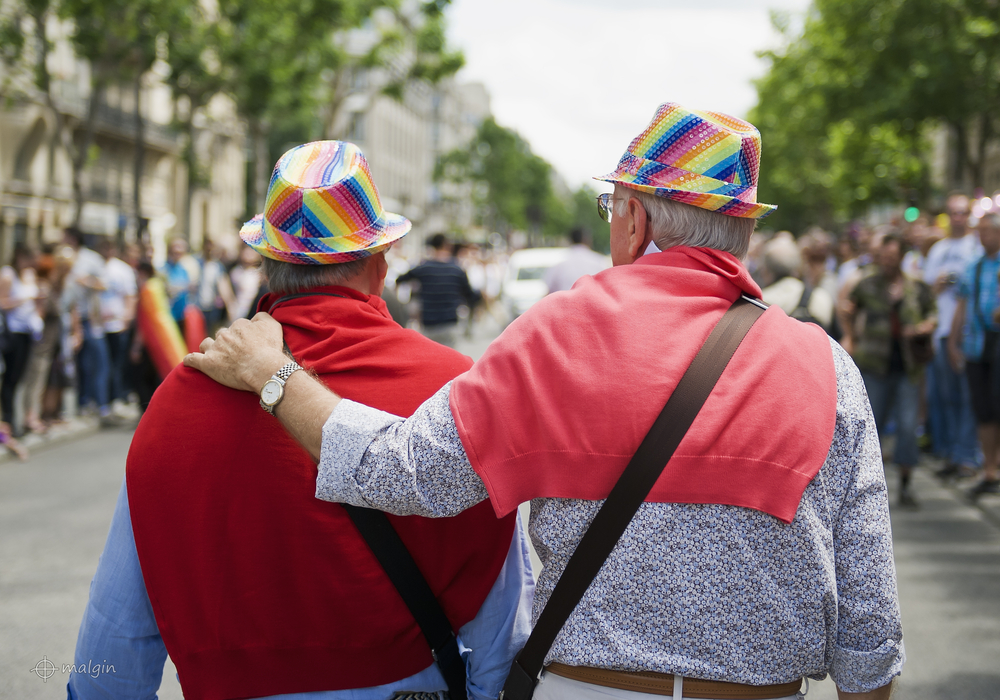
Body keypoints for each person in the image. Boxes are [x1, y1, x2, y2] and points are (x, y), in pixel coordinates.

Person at [188, 104, 903, 700]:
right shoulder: (826, 367)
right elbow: (870, 625)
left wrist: (275, 375)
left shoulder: (560, 334)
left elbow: (406, 474)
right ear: (742, 230)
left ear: (636, 221)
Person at [69, 140, 532, 700]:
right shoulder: (452, 388)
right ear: (380, 266)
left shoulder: (180, 399)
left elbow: (114, 645)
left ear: (267, 268)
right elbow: (501, 624)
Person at [845, 233, 937, 507]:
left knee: (908, 427)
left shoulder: (916, 287)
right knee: (874, 429)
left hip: (907, 366)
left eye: (892, 258)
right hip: (874, 365)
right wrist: (852, 337)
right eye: (883, 258)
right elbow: (847, 308)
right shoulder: (867, 285)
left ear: (902, 258)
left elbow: (932, 313)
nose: (887, 263)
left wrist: (923, 327)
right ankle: (869, 490)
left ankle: (906, 484)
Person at [924, 193, 983, 476]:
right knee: (945, 397)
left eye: (963, 212)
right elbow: (926, 292)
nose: (958, 218)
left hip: (970, 335)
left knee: (969, 398)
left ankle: (968, 456)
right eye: (953, 213)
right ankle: (949, 453)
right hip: (942, 332)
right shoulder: (938, 250)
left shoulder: (977, 248)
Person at [949, 213, 1000, 498]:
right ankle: (989, 470)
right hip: (978, 347)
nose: (983, 236)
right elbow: (962, 305)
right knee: (983, 409)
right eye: (979, 231)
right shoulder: (975, 267)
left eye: (988, 231)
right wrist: (953, 341)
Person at [62, 227, 111, 422]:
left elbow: (103, 284)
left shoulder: (90, 259)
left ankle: (100, 403)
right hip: (67, 317)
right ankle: (82, 403)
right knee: (77, 364)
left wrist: (86, 281)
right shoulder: (61, 257)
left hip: (88, 318)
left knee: (99, 361)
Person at [397, 233, 479, 348]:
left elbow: (400, 280)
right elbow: (470, 295)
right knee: (451, 362)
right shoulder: (457, 270)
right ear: (447, 246)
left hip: (428, 323)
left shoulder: (423, 268)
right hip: (449, 323)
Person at [0, 244, 43, 432]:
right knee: (9, 378)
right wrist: (22, 300)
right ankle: (8, 420)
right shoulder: (8, 274)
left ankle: (12, 419)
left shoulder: (29, 274)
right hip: (12, 332)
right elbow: (2, 301)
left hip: (28, 331)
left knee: (19, 377)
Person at [98, 238, 138, 409]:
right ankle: (101, 399)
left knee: (116, 364)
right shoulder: (95, 267)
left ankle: (115, 397)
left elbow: (130, 296)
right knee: (101, 364)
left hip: (116, 325)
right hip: (98, 326)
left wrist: (126, 319)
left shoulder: (122, 270)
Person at [543, 227, 610, 293]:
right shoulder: (599, 261)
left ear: (570, 240)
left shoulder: (559, 265)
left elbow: (549, 291)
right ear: (587, 240)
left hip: (566, 302)